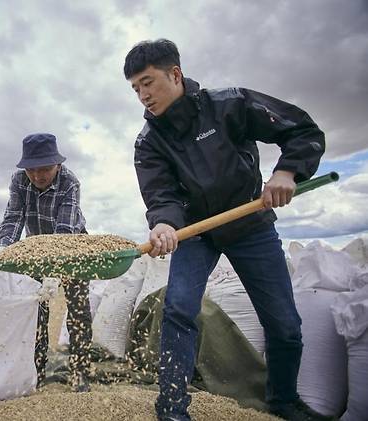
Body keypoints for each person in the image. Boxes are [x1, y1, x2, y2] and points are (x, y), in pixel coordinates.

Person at [124, 39, 330, 421]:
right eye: (136, 88)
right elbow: (160, 194)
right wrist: (165, 224)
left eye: (148, 82)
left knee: (284, 322)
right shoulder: (149, 142)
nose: (143, 95)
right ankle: (171, 410)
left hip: (250, 224)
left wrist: (287, 171)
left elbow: (301, 129)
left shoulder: (230, 104)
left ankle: (283, 401)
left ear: (175, 73)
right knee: (179, 310)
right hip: (196, 234)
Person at [0, 133, 92, 393]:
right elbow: (14, 218)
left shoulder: (70, 182)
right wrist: (4, 250)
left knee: (78, 310)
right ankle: (35, 371)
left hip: (73, 247)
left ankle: (79, 372)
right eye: (32, 170)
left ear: (57, 165)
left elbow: (64, 229)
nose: (38, 176)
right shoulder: (18, 181)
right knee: (36, 310)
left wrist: (56, 269)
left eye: (45, 169)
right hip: (35, 248)